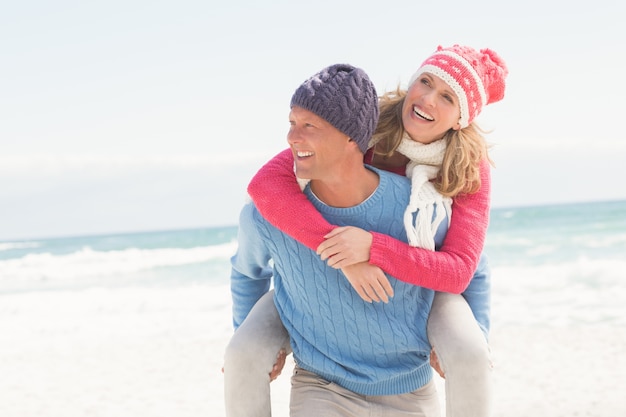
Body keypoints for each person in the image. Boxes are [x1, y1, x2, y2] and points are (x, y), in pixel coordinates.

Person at [234, 45, 508, 417]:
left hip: (431, 274)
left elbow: (465, 268)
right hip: (343, 268)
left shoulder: (467, 165)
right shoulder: (370, 124)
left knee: (471, 350)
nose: (427, 98)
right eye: (424, 82)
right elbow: (267, 182)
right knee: (243, 349)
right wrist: (342, 255)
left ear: (461, 118)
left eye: (447, 96)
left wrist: (372, 248)